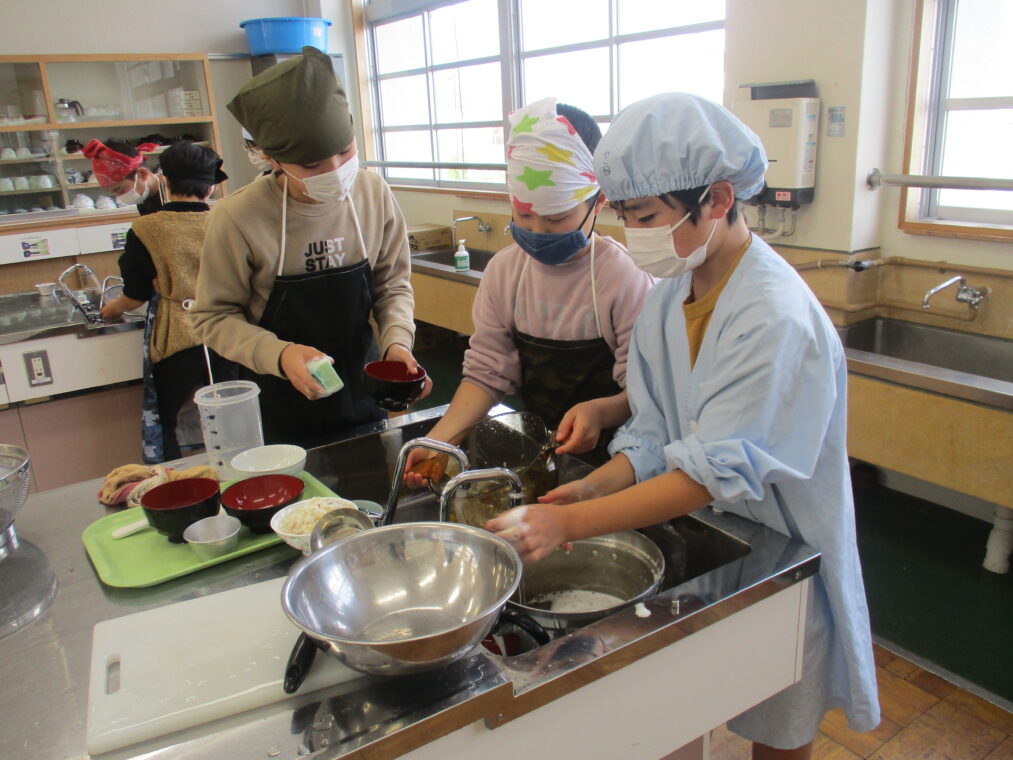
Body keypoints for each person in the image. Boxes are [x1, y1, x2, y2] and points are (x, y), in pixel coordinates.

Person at [488, 93, 880, 759]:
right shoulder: (673, 293)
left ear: (718, 199)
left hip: (782, 544)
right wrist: (595, 486)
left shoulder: (773, 316)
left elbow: (709, 471)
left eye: (646, 217)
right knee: (682, 699)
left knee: (780, 716)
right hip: (714, 534)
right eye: (625, 216)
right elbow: (654, 428)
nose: (633, 234)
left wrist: (568, 523)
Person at [405, 98, 654, 486]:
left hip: (620, 461)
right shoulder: (505, 272)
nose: (538, 231)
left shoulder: (624, 277)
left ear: (598, 203)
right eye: (523, 215)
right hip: (542, 449)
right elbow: (487, 374)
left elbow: (647, 394)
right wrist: (440, 441)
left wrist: (603, 412)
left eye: (557, 217)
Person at [190, 46, 428, 447]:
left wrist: (397, 341)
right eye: (313, 165)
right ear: (272, 158)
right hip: (277, 403)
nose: (335, 171)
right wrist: (280, 354)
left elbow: (392, 285)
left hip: (362, 392)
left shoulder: (373, 194)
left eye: (345, 151)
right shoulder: (237, 217)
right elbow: (212, 318)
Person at [100, 141, 235, 463]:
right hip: (228, 333)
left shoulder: (147, 228)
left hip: (177, 335)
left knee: (165, 420)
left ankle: (177, 480)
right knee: (231, 415)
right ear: (211, 187)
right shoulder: (227, 221)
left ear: (166, 181)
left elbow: (135, 295)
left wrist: (109, 309)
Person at [82, 138, 165, 215]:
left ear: (142, 174)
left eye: (120, 190)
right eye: (113, 192)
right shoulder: (144, 199)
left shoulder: (172, 195)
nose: (119, 198)